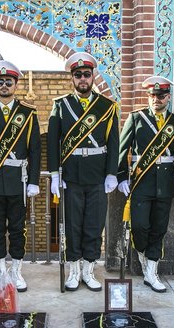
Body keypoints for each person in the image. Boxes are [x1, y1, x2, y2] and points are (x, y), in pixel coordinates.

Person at [47, 52, 119, 292]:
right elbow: (53, 143)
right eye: (78, 75)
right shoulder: (61, 105)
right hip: (71, 176)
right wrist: (55, 175)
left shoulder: (107, 107)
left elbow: (114, 142)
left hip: (98, 175)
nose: (82, 79)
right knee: (73, 226)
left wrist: (112, 173)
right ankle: (73, 270)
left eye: (86, 75)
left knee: (94, 225)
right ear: (72, 78)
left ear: (93, 77)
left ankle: (89, 270)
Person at [0, 60, 41, 292]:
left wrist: (33, 181)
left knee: (17, 229)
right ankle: (1, 272)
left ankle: (16, 271)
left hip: (19, 182)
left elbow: (34, 150)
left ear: (15, 85)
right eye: (0, 82)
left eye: (8, 82)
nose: (4, 86)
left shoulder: (27, 113)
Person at [117, 76, 174, 292]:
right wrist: (120, 177)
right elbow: (123, 149)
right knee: (140, 226)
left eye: (161, 96)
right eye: (153, 96)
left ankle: (151, 271)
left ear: (168, 97)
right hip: (141, 182)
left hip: (165, 183)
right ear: (148, 97)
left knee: (159, 228)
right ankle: (145, 259)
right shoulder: (136, 118)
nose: (157, 99)